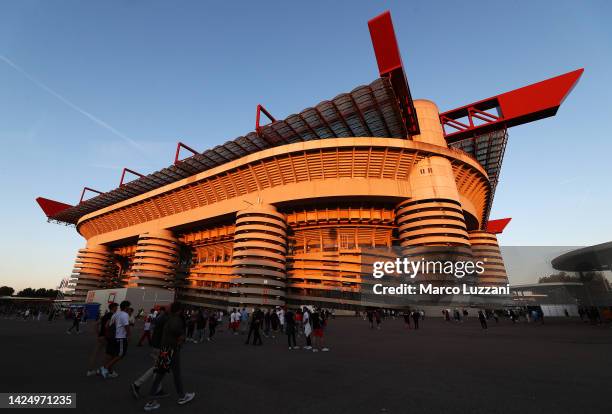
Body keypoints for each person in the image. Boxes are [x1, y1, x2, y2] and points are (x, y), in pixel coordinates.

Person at [144, 303, 195, 411]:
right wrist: (181, 337)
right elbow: (176, 331)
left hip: (164, 349)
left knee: (159, 375)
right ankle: (182, 396)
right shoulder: (176, 319)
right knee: (176, 374)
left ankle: (150, 401)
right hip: (172, 350)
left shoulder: (168, 317)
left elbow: (158, 323)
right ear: (180, 310)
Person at [132, 307, 169, 399]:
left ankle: (156, 389)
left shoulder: (160, 317)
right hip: (161, 346)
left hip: (157, 344)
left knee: (157, 368)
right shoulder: (165, 318)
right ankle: (138, 384)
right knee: (158, 367)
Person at [100, 300, 131, 379]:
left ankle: (109, 371)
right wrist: (129, 335)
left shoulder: (115, 314)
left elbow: (107, 326)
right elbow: (126, 326)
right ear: (126, 307)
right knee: (120, 354)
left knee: (112, 354)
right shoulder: (125, 315)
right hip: (120, 338)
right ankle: (105, 368)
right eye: (129, 307)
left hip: (113, 338)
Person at [87, 302, 117, 376]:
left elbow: (96, 324)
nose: (117, 308)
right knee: (110, 355)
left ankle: (90, 371)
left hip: (101, 336)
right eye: (116, 307)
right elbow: (110, 326)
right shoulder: (113, 316)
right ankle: (108, 371)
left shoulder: (104, 316)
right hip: (108, 337)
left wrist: (98, 335)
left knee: (96, 354)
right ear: (113, 308)